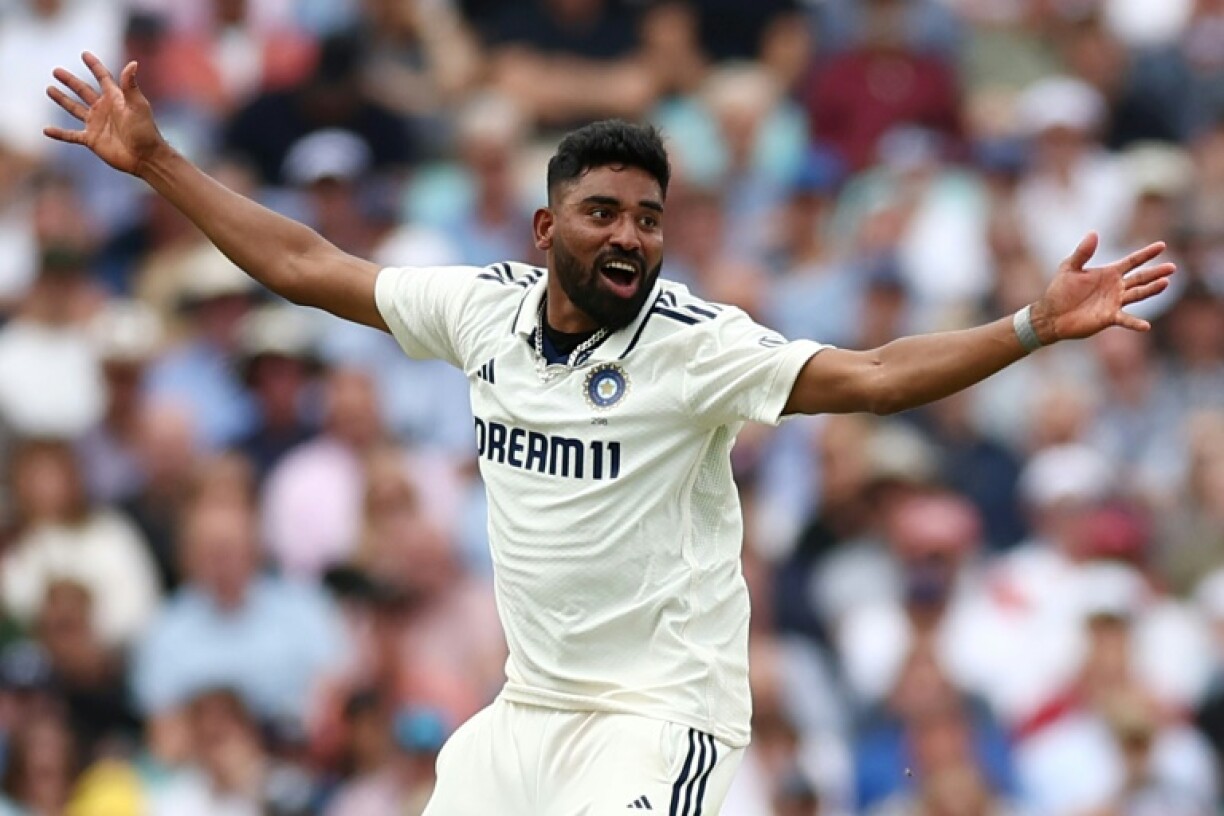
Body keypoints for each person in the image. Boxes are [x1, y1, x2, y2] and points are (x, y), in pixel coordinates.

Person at [44, 52, 1176, 814]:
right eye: (604, 212)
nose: (631, 235)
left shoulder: (696, 345)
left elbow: (874, 375)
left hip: (655, 715)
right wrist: (157, 163)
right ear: (547, 227)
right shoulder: (482, 309)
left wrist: (1030, 324)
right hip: (527, 710)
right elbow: (306, 266)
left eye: (649, 216)